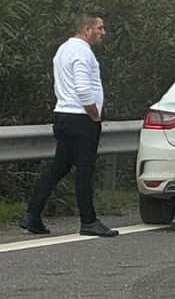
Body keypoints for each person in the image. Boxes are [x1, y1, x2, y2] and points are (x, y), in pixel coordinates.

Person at [20, 13, 115, 238]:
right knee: (85, 170)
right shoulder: (82, 52)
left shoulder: (63, 49)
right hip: (81, 118)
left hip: (62, 115)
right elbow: (83, 88)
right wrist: (94, 114)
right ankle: (89, 221)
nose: (103, 32)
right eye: (99, 28)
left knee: (58, 168)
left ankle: (32, 215)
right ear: (86, 29)